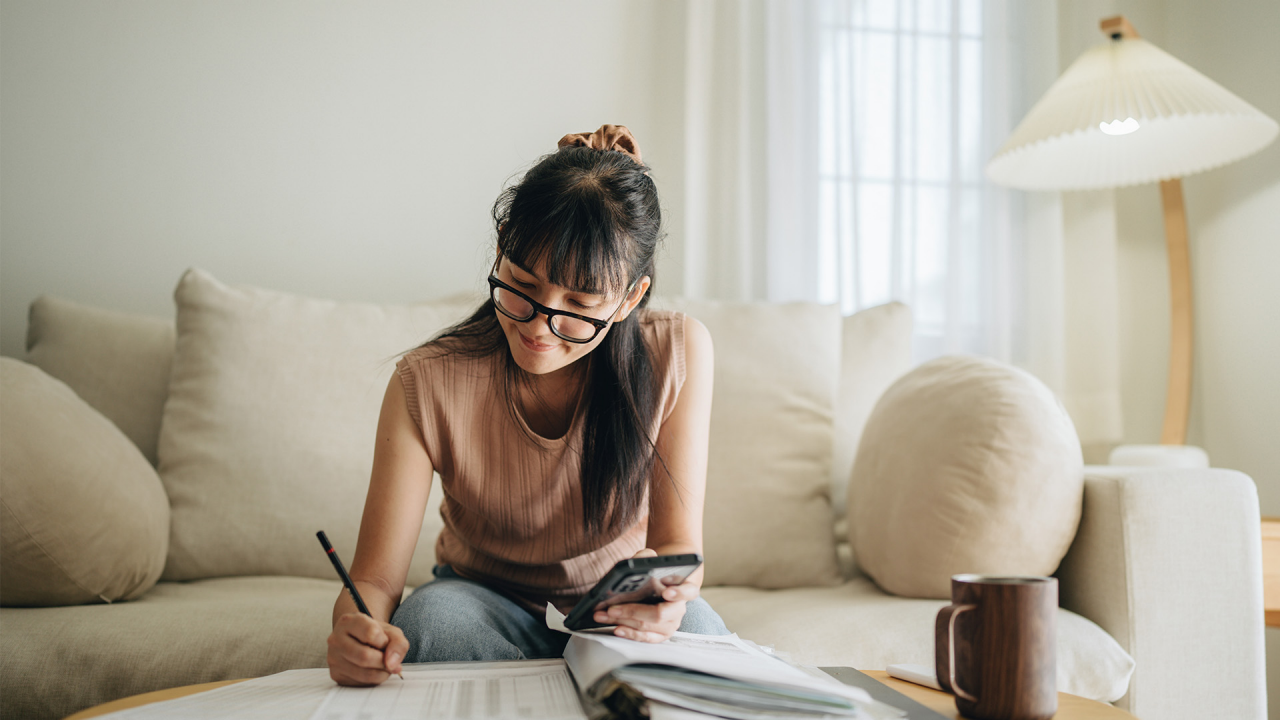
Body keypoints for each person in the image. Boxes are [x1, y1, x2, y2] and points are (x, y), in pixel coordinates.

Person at [326, 125, 728, 687]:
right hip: (480, 598)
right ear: (501, 247)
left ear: (629, 299)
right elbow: (374, 580)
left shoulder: (675, 351)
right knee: (431, 626)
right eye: (521, 285)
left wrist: (668, 597)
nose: (539, 328)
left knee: (701, 636)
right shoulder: (427, 380)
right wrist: (355, 627)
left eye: (579, 304)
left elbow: (678, 548)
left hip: (615, 605)